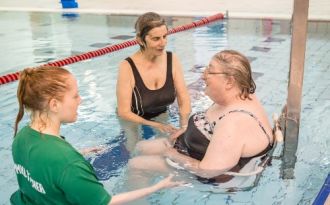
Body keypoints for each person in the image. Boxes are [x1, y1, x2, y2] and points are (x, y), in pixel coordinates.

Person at [11, 66, 181, 205]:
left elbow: (42, 170)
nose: (80, 100)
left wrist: (80, 153)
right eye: (75, 96)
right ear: (54, 105)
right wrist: (158, 187)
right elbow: (106, 202)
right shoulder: (69, 164)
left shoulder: (22, 137)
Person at [129, 50, 274, 184]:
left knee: (136, 165)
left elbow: (208, 172)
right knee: (141, 147)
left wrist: (172, 154)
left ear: (229, 82)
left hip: (204, 168)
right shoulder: (240, 94)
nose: (203, 75)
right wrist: (186, 129)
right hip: (192, 147)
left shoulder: (234, 122)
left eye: (210, 71)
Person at [116, 12, 191, 133]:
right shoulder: (127, 67)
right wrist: (155, 125)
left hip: (161, 114)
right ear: (140, 40)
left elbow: (184, 98)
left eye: (165, 36)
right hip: (133, 119)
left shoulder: (172, 59)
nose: (163, 43)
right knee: (135, 149)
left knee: (170, 145)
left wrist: (184, 127)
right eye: (156, 39)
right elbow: (124, 112)